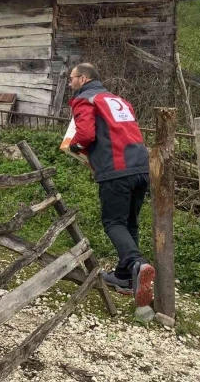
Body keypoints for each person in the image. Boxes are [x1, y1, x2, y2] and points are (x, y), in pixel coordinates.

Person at [67, 62, 155, 307]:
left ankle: (138, 264)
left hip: (116, 169)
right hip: (140, 166)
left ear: (83, 79)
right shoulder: (119, 100)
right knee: (129, 223)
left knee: (113, 222)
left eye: (71, 78)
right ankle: (125, 276)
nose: (70, 83)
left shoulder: (86, 100)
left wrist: (73, 146)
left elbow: (85, 135)